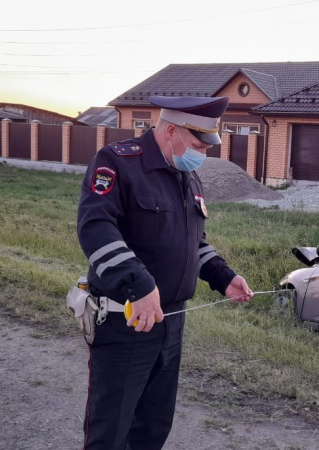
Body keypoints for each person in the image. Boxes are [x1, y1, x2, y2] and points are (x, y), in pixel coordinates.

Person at [76, 95, 254, 449]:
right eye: (198, 143)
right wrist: (138, 285)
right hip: (126, 320)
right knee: (110, 431)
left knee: (154, 426)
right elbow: (95, 228)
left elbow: (194, 242)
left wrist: (223, 276)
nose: (203, 153)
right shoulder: (117, 163)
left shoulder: (187, 175)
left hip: (172, 322)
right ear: (171, 130)